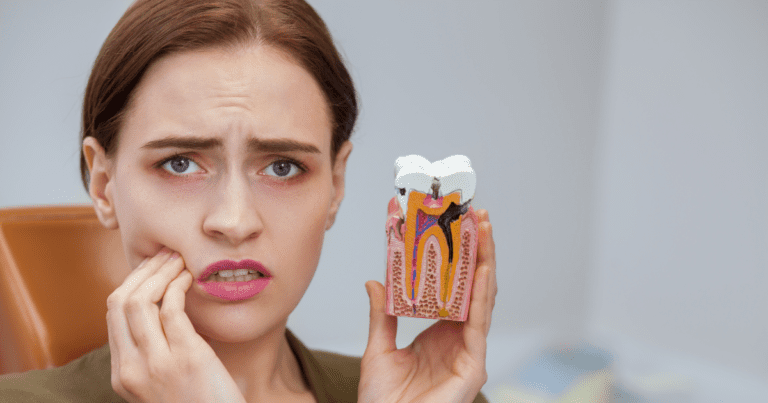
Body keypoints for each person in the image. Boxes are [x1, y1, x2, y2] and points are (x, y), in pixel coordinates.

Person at [0, 0, 497, 401]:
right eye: (180, 163)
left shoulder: (433, 393)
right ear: (104, 184)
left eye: (283, 167)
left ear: (336, 185)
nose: (234, 222)